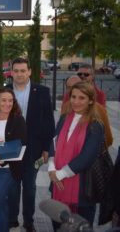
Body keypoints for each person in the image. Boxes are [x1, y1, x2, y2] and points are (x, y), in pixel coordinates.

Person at [6, 57, 55, 232]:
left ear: (29, 72)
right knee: (12, 187)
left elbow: (49, 122)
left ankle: (28, 220)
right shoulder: (4, 91)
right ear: (11, 72)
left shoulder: (41, 91)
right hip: (11, 149)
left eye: (22, 70)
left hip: (34, 150)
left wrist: (46, 149)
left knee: (29, 187)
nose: (19, 74)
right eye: (16, 70)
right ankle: (12, 218)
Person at [48, 81, 104, 229]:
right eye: (73, 97)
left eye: (82, 98)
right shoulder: (64, 118)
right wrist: (51, 169)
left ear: (91, 101)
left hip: (82, 189)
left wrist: (60, 174)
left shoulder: (96, 125)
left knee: (79, 226)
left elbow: (88, 157)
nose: (76, 101)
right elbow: (53, 142)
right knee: (58, 225)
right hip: (57, 184)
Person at [0, 87, 27, 232]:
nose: (7, 104)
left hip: (7, 170)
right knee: (0, 204)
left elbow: (21, 146)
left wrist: (4, 161)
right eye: (4, 100)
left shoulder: (18, 120)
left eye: (10, 100)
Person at [62, 76, 113, 149]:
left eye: (77, 86)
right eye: (69, 87)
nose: (73, 91)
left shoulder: (99, 109)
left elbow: (108, 139)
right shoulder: (66, 107)